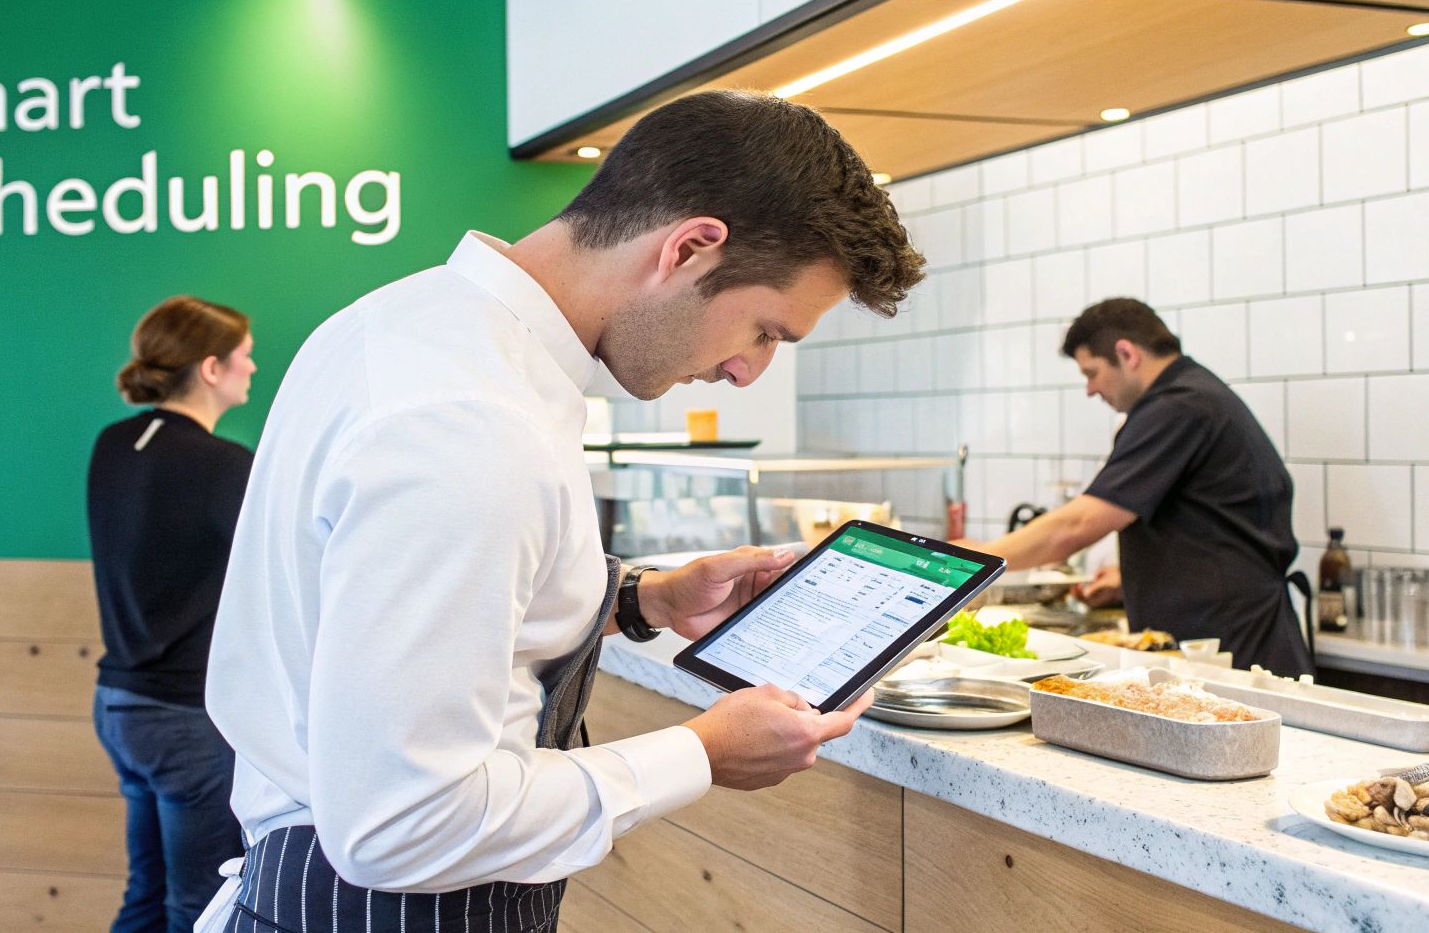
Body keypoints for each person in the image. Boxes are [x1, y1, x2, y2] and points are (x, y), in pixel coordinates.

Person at [202, 90, 925, 933]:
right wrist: (700, 752)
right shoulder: (466, 422)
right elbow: (403, 826)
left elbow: (408, 610)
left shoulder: (405, 327)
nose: (747, 374)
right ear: (691, 248)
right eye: (765, 331)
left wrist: (643, 599)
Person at [959, 298, 1313, 676]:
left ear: (1126, 353)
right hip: (1220, 637)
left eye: (1091, 372)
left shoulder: (1179, 406)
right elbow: (1211, 526)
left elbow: (1080, 523)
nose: (1090, 389)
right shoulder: (1193, 396)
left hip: (1234, 649)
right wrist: (1131, 578)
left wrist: (981, 562)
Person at [87, 295, 258, 933]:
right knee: (201, 909)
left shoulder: (114, 445)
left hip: (120, 708)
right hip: (186, 720)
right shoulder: (223, 466)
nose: (253, 365)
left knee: (148, 894)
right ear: (210, 368)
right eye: (244, 354)